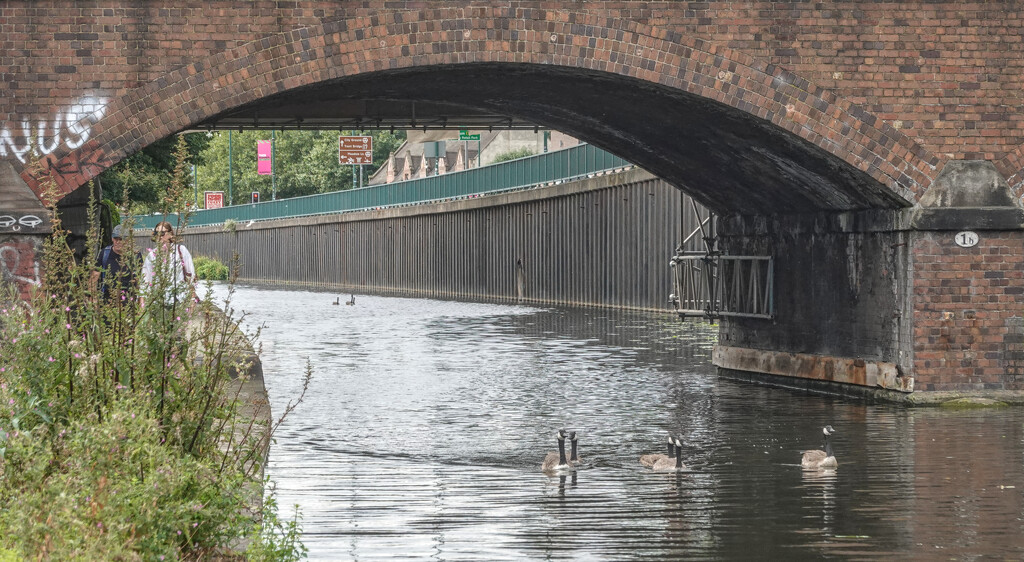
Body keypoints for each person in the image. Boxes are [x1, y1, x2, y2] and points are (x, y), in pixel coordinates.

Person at [141, 221, 197, 308]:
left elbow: (191, 277)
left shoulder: (181, 251)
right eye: (156, 233)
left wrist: (192, 302)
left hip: (180, 302)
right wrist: (142, 307)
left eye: (162, 233)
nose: (159, 236)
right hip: (158, 304)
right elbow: (144, 283)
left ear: (170, 234)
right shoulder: (151, 256)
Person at [90, 224, 140, 302]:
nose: (117, 242)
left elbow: (140, 281)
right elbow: (93, 278)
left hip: (129, 302)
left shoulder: (135, 255)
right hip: (108, 302)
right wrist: (94, 300)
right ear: (112, 238)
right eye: (115, 238)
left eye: (121, 239)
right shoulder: (104, 254)